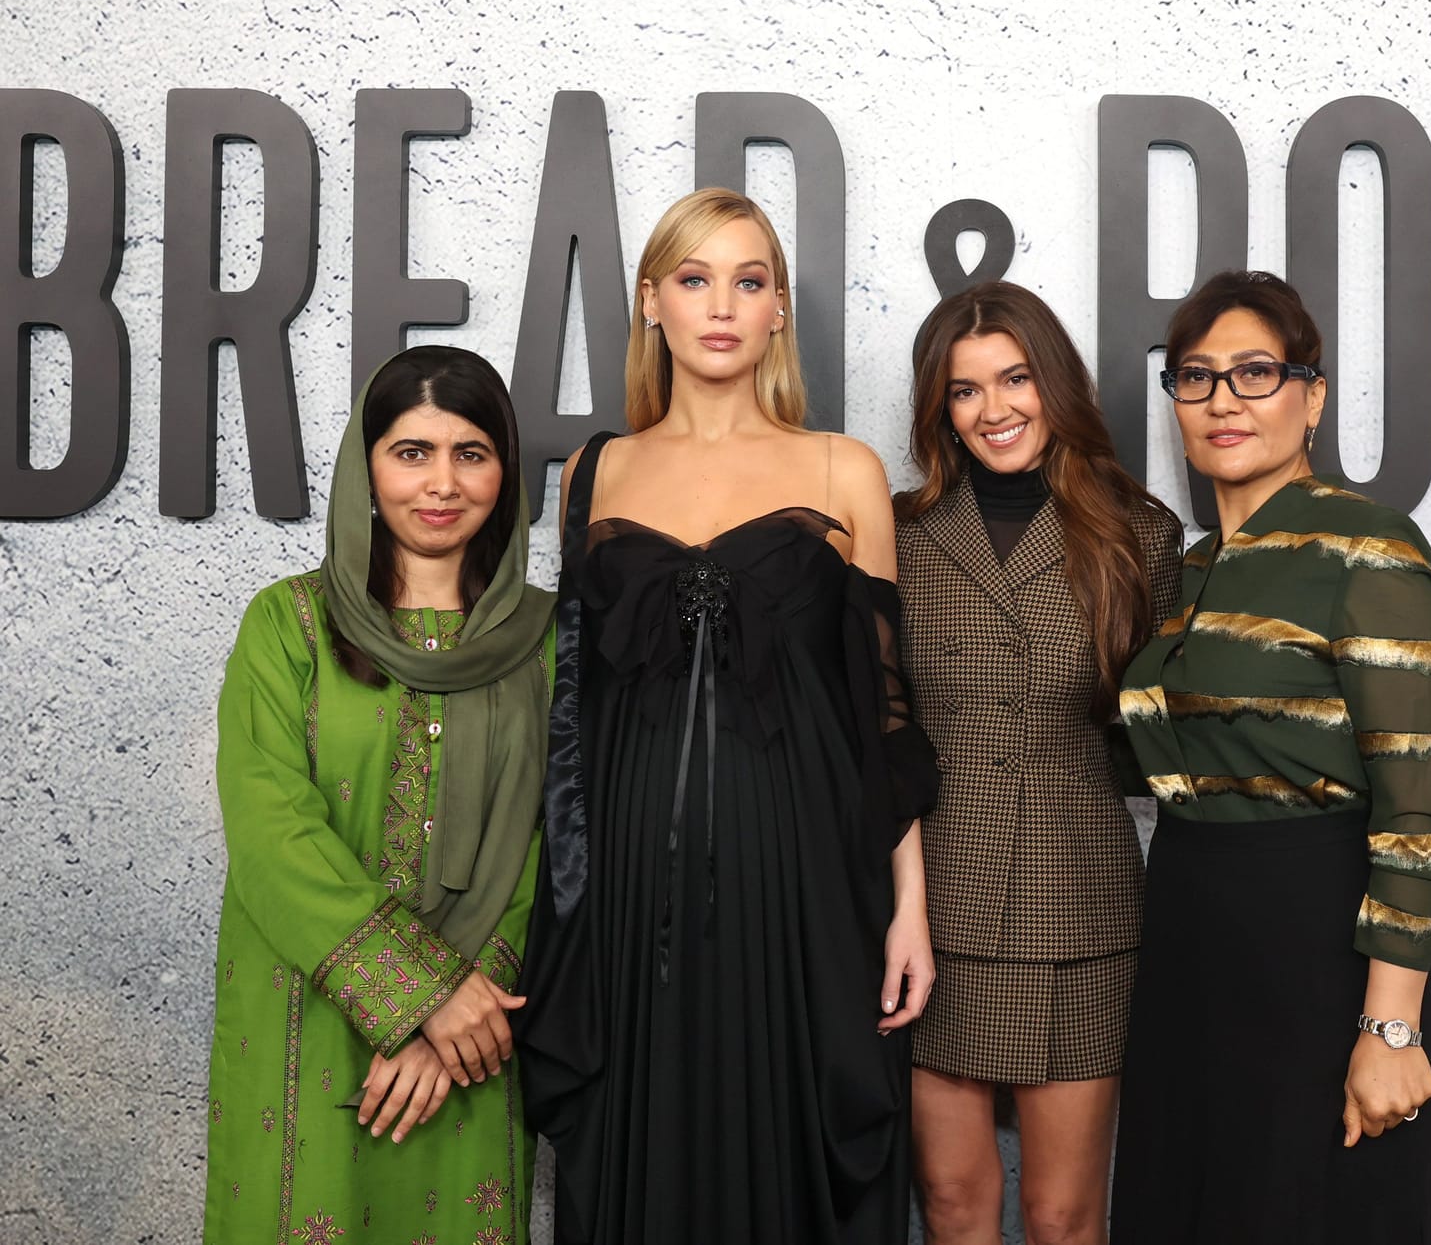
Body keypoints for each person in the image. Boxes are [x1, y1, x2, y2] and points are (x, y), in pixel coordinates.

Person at [513, 187, 940, 1244]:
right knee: (632, 1152)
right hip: (625, 888)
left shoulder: (847, 470)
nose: (722, 305)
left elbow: (883, 711)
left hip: (797, 879)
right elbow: (574, 705)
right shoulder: (593, 471)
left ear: (779, 310)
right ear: (652, 301)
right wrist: (564, 904)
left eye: (749, 282)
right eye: (695, 279)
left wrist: (909, 906)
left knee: (794, 1149)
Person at [1111, 270, 1431, 1242]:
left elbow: (1415, 804)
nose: (1223, 399)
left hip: (1312, 940)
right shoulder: (1187, 568)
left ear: (1311, 396)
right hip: (1187, 932)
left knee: (1309, 1208)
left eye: (1255, 372)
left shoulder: (1371, 547)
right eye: (1197, 376)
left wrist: (1390, 1027)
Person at [204, 346, 557, 1244]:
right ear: (366, 464)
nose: (442, 484)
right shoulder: (287, 625)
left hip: (482, 1029)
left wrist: (465, 1007)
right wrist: (420, 995)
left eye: (471, 454)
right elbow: (271, 827)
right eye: (412, 452)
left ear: (506, 472)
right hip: (308, 1019)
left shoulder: (547, 639)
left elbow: (557, 841)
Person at [892, 281, 1182, 1244]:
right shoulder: (901, 535)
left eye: (1015, 378)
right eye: (965, 391)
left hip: (1081, 903)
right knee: (951, 1207)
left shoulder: (1139, 539)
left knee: (1064, 1218)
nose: (995, 409)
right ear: (942, 411)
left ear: (1056, 386)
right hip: (932, 909)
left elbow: (1152, 745)